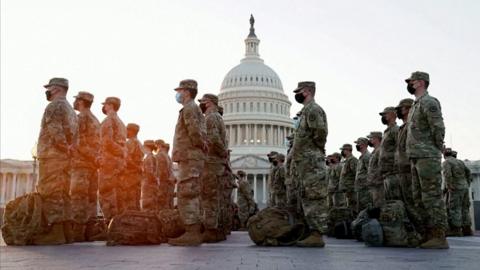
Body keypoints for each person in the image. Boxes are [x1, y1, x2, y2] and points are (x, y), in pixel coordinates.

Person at [405, 71, 448, 249]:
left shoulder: (429, 102)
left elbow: (438, 127)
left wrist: (437, 148)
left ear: (421, 83)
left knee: (431, 196)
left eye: (412, 82)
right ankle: (427, 234)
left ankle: (439, 235)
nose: (410, 84)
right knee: (418, 197)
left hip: (427, 155)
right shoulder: (416, 105)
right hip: (416, 155)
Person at [34, 78, 78, 245]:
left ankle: (55, 233)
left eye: (49, 88)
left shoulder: (54, 106)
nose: (47, 91)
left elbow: (54, 129)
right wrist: (70, 150)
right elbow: (76, 136)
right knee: (64, 193)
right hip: (66, 158)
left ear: (57, 89)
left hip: (53, 155)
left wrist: (63, 146)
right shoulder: (70, 110)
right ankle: (67, 233)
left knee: (51, 192)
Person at [169, 79, 207, 246]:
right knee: (190, 192)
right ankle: (192, 230)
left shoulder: (190, 108)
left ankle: (192, 232)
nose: (178, 94)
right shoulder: (192, 108)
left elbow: (194, 132)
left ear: (187, 92)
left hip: (189, 156)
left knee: (187, 192)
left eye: (180, 90)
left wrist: (198, 145)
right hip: (191, 156)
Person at [290, 81, 328, 247]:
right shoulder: (304, 112)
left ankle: (317, 233)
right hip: (305, 162)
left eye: (298, 92)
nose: (296, 95)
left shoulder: (313, 110)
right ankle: (309, 230)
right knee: (306, 196)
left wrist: (314, 150)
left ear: (306, 91)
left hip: (311, 161)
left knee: (314, 197)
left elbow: (320, 132)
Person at [198, 93, 228, 242]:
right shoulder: (217, 117)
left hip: (211, 163)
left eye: (202, 102)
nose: (201, 105)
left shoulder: (211, 118)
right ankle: (215, 230)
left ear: (209, 103)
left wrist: (223, 153)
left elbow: (214, 138)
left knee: (209, 197)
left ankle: (210, 230)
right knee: (213, 197)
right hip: (215, 163)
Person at [70, 91, 100, 242]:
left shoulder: (80, 118)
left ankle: (78, 233)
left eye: (76, 100)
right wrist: (95, 158)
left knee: (78, 197)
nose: (74, 102)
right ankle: (89, 232)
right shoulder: (95, 119)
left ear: (81, 102)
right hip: (93, 165)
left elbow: (78, 142)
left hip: (81, 164)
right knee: (90, 198)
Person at [394, 98, 423, 235]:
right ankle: (416, 232)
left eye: (400, 108)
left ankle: (422, 231)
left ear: (406, 109)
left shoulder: (411, 125)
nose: (398, 111)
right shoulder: (402, 128)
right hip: (401, 170)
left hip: (408, 168)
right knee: (406, 202)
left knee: (413, 201)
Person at [98, 97, 127, 222]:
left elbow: (106, 142)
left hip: (109, 161)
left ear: (110, 105)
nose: (104, 107)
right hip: (119, 162)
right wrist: (121, 154)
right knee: (118, 193)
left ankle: (110, 224)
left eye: (105, 104)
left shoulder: (108, 120)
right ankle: (119, 224)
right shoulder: (121, 123)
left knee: (106, 193)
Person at [442, 148, 472, 236]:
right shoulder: (460, 162)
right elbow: (468, 172)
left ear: (444, 155)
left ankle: (456, 229)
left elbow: (447, 174)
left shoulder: (446, 162)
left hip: (455, 188)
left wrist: (449, 186)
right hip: (464, 187)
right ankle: (467, 229)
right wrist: (467, 183)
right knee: (465, 208)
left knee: (454, 208)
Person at [379, 107, 400, 200]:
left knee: (395, 198)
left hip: (393, 171)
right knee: (389, 199)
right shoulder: (387, 132)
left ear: (393, 114)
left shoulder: (395, 130)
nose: (383, 117)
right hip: (386, 172)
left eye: (385, 114)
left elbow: (400, 148)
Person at [124, 123, 144, 210]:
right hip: (137, 175)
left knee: (129, 200)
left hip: (130, 175)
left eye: (127, 130)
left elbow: (127, 159)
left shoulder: (130, 143)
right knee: (136, 199)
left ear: (131, 131)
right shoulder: (139, 143)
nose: (125, 132)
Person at [155, 139, 175, 210]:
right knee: (169, 203)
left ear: (158, 145)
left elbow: (161, 171)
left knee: (162, 204)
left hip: (163, 182)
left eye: (156, 145)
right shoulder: (167, 156)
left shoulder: (160, 155)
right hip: (169, 182)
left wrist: (158, 182)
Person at [354, 137, 372, 213]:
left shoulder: (367, 156)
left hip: (365, 188)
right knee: (361, 208)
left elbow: (370, 171)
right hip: (361, 187)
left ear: (363, 144)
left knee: (366, 208)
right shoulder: (362, 157)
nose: (357, 145)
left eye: (358, 143)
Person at [339, 144, 358, 214]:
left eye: (343, 150)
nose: (342, 152)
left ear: (347, 150)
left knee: (353, 207)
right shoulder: (346, 161)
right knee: (349, 207)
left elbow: (356, 173)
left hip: (351, 188)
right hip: (347, 188)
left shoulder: (352, 160)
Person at [141, 140, 159, 213]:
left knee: (147, 206)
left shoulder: (149, 158)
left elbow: (150, 172)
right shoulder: (152, 157)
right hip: (152, 184)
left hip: (148, 184)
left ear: (147, 147)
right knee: (152, 205)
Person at [367, 131, 384, 207]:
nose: (370, 140)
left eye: (371, 138)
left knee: (380, 204)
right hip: (374, 182)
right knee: (375, 203)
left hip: (379, 182)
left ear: (377, 139)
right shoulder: (374, 152)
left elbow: (382, 166)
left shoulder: (381, 150)